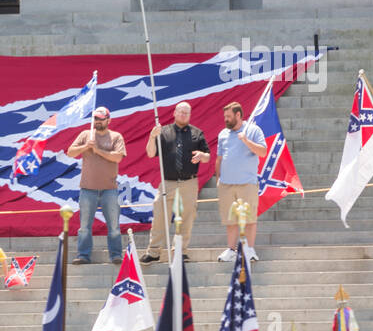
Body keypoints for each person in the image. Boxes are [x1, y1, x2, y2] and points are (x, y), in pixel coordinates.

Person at [142, 101, 210, 263]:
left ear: (190, 115)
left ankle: (180, 250)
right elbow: (151, 154)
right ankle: (154, 252)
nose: (183, 115)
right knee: (159, 216)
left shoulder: (197, 133)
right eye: (180, 112)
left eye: (186, 112)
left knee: (186, 217)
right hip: (167, 182)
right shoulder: (163, 132)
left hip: (189, 182)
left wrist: (201, 155)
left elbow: (207, 157)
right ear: (174, 113)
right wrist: (152, 136)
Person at [66, 106, 127, 265]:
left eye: (101, 119)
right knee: (84, 226)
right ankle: (83, 255)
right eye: (95, 119)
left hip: (110, 189)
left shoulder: (116, 136)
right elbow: (70, 152)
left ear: (108, 120)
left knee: (113, 225)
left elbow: (118, 158)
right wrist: (87, 146)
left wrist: (97, 150)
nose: (98, 121)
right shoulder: (86, 135)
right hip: (87, 189)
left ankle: (116, 255)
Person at [214, 101, 265, 262]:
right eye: (224, 117)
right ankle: (231, 250)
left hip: (247, 183)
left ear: (238, 115)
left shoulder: (253, 130)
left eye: (228, 116)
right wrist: (218, 178)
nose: (226, 119)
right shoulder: (223, 134)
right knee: (230, 220)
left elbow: (263, 152)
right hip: (226, 184)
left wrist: (246, 141)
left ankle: (249, 250)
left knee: (249, 219)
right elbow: (219, 158)